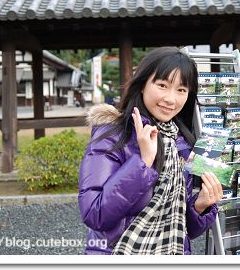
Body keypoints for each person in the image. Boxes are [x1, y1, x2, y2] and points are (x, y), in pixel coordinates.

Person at [78, 47, 223, 255]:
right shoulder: (113, 134)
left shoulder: (182, 142)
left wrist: (199, 207)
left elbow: (184, 231)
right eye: (162, 85)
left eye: (181, 90)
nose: (171, 99)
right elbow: (94, 213)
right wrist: (143, 162)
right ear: (143, 84)